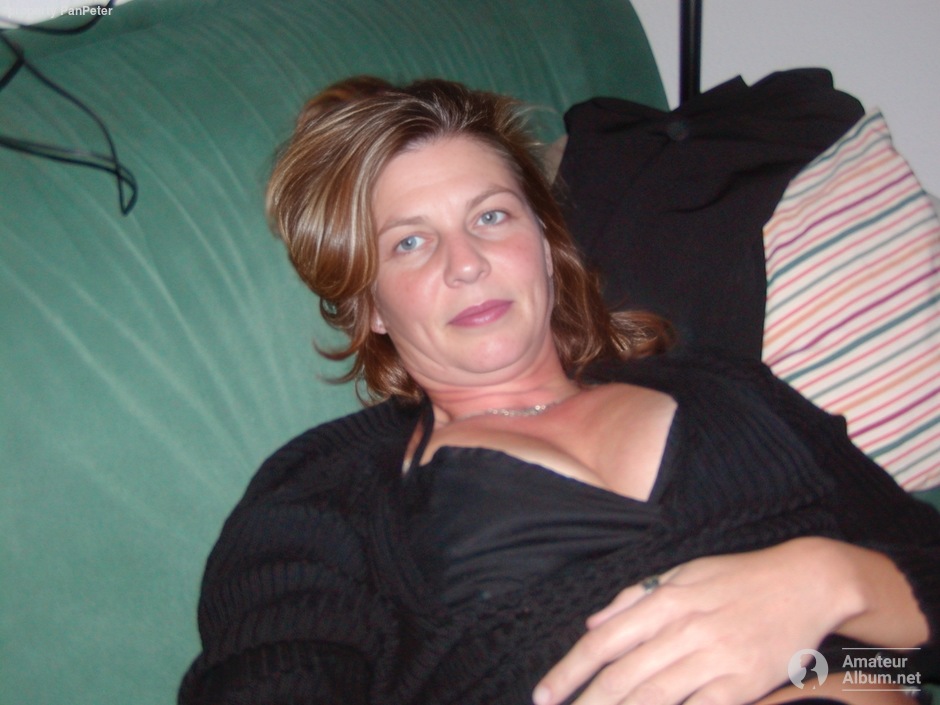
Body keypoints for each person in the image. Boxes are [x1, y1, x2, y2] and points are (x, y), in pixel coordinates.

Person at [178, 77, 940, 705]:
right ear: (369, 306)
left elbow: (906, 649)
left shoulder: (731, 390)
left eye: (491, 216)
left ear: (545, 244)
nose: (466, 262)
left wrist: (831, 583)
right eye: (409, 241)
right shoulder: (326, 489)